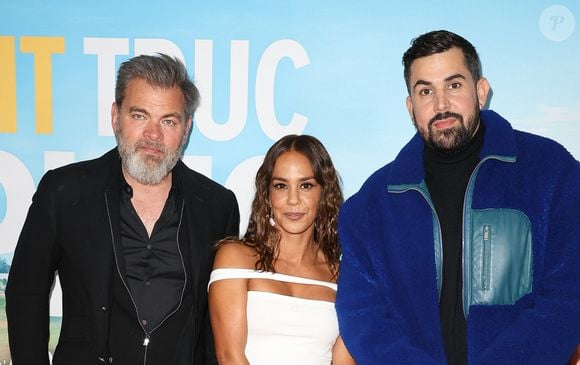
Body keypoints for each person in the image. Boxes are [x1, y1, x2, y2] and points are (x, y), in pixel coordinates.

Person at [335, 30, 580, 364]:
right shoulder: (370, 206)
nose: (441, 104)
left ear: (481, 91)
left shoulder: (552, 173)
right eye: (425, 91)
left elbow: (568, 296)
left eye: (454, 85)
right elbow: (363, 316)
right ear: (410, 106)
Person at [6, 53, 240, 364]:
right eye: (140, 115)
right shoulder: (64, 192)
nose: (153, 135)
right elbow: (26, 294)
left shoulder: (217, 206)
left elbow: (219, 320)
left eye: (168, 120)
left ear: (186, 129)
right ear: (116, 116)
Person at [208, 134, 354, 365]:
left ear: (324, 193)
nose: (293, 200)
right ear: (267, 194)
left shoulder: (343, 274)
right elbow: (229, 356)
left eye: (306, 185)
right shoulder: (236, 257)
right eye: (281, 186)